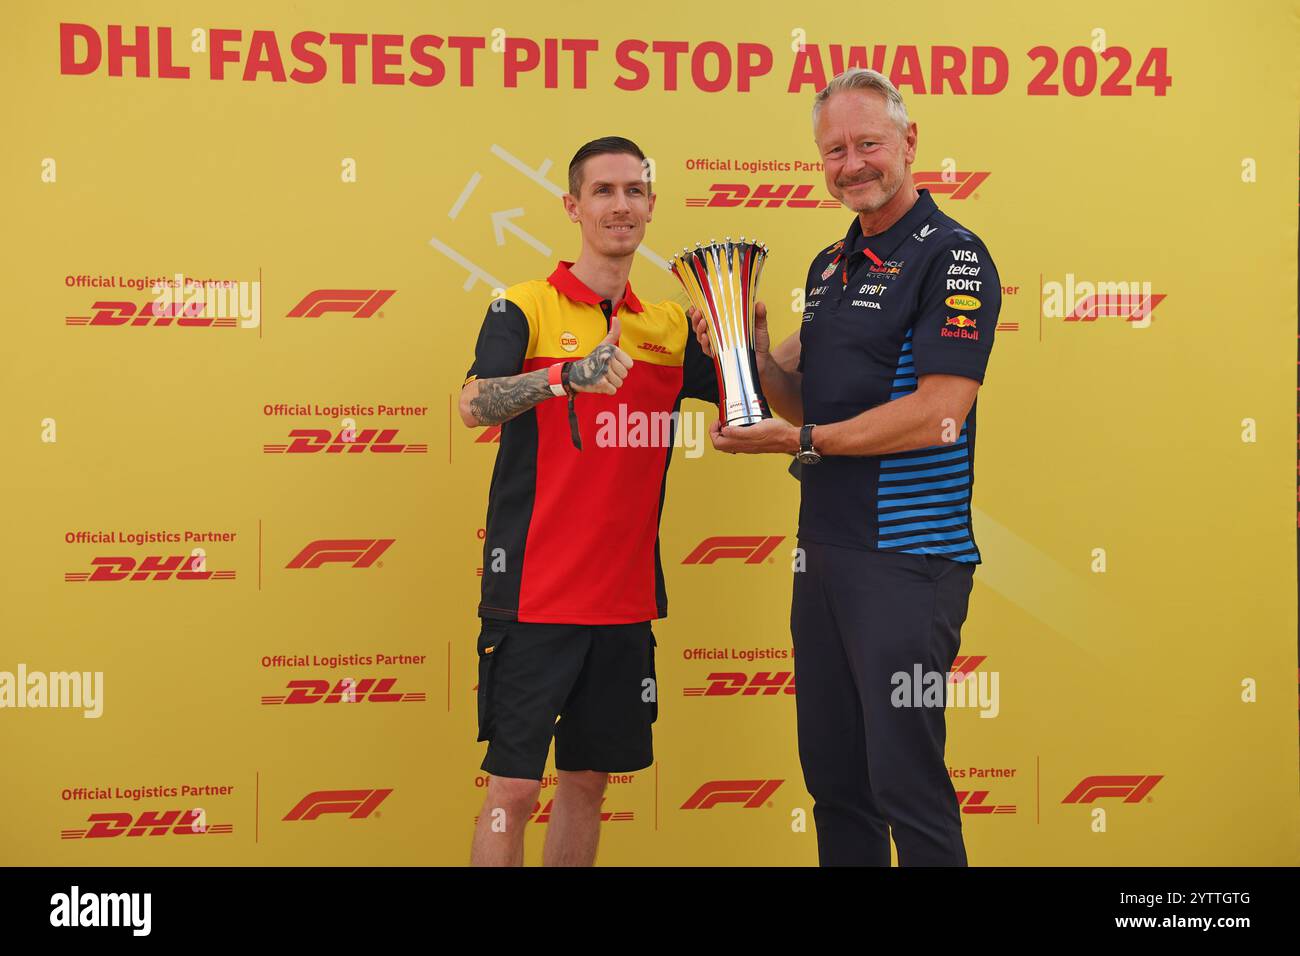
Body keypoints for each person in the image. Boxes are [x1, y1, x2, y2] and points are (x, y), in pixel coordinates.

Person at [689, 69, 1001, 866]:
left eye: (868, 143)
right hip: (824, 555)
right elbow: (802, 400)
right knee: (837, 783)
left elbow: (939, 414)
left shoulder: (953, 256)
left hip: (907, 561)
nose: (853, 163)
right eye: (835, 150)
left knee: (907, 785)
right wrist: (751, 350)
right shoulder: (832, 264)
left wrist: (802, 443)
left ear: (909, 142)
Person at [459, 136, 718, 866]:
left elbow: (752, 398)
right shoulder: (521, 306)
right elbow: (474, 404)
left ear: (651, 205)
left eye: (635, 190)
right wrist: (565, 376)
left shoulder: (668, 325)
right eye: (603, 191)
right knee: (512, 791)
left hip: (623, 604)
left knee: (586, 784)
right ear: (573, 207)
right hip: (534, 597)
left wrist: (746, 342)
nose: (621, 205)